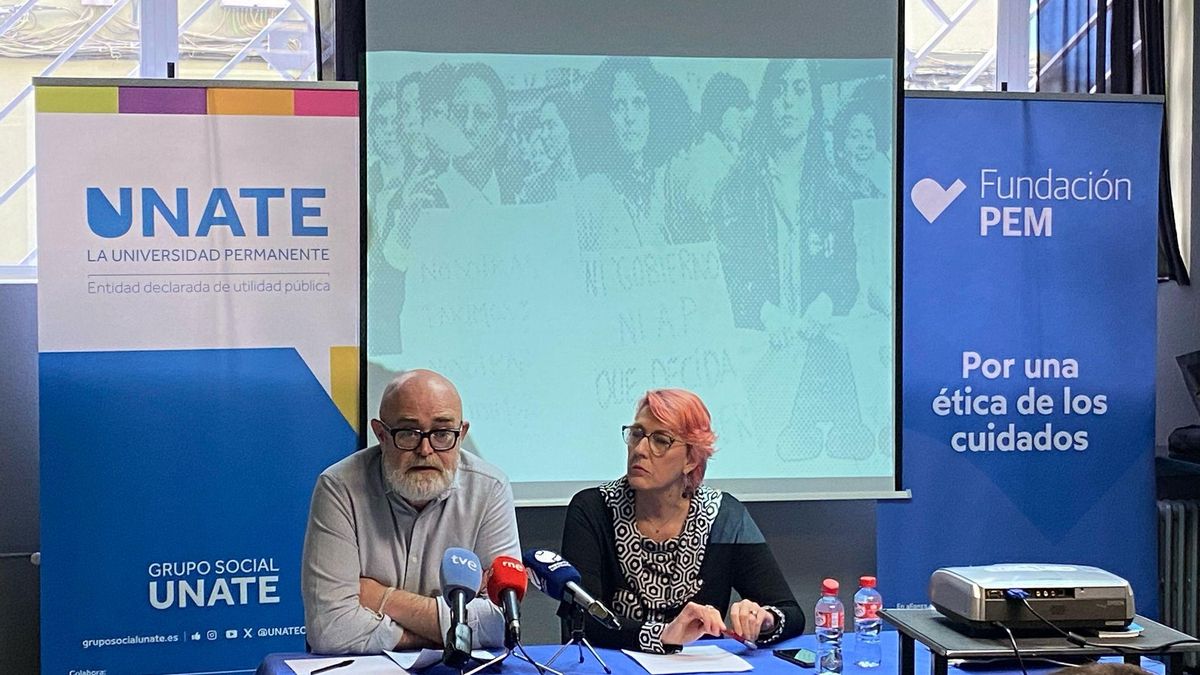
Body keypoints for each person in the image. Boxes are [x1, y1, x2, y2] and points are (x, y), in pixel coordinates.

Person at [560, 389, 804, 653]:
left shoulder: (724, 517)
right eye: (637, 434)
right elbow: (580, 618)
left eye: (660, 440)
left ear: (691, 458)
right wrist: (663, 635)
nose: (640, 450)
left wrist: (764, 620)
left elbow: (790, 613)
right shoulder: (593, 510)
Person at [301, 370, 520, 653]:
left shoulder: (490, 488)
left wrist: (383, 598)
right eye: (408, 433)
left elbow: (500, 623)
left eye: (442, 433)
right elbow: (330, 631)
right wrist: (452, 636)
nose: (426, 449)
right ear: (381, 434)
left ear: (462, 434)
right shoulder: (339, 488)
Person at [574, 57, 694, 251]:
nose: (629, 117)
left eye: (639, 103)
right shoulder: (591, 193)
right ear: (604, 117)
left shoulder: (667, 186)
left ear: (654, 111)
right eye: (618, 106)